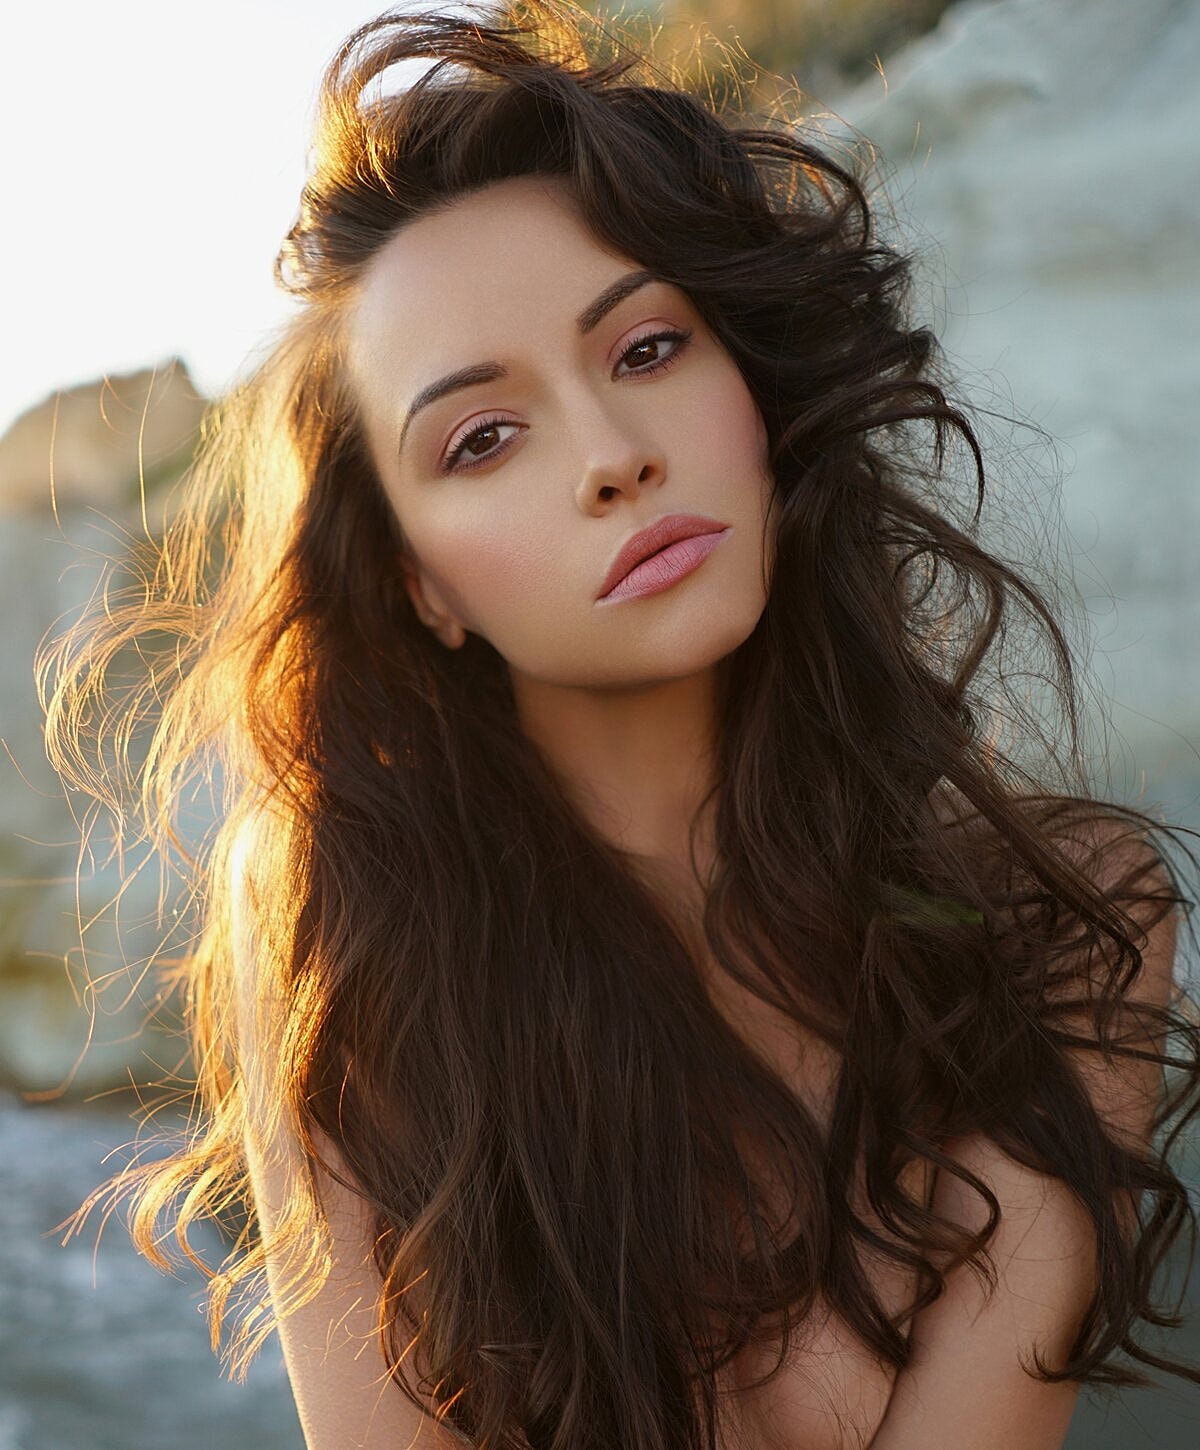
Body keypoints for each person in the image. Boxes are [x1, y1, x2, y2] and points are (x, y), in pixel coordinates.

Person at [40, 3, 1200, 1447]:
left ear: (754, 388)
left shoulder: (1067, 922)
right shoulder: (356, 970)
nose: (612, 457)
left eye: (647, 348)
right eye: (482, 437)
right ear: (420, 584)